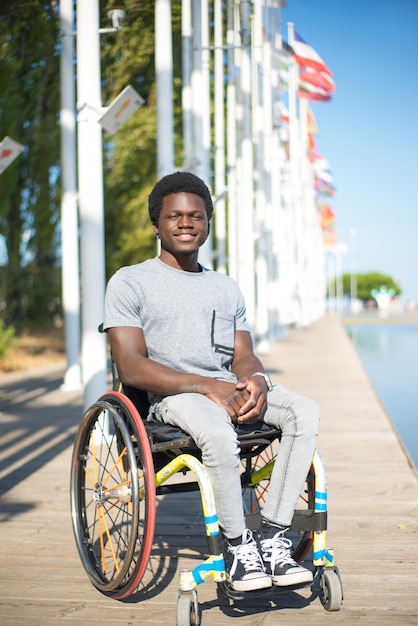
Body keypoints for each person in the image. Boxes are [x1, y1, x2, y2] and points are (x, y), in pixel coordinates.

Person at [103, 171, 319, 593]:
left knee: (303, 410)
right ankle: (237, 548)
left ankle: (273, 536)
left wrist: (254, 378)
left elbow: (242, 354)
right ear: (157, 224)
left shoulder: (225, 287)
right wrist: (206, 387)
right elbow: (130, 366)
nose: (186, 223)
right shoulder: (130, 281)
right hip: (172, 397)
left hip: (225, 389)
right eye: (175, 216)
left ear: (206, 224)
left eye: (196, 216)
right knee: (216, 430)